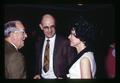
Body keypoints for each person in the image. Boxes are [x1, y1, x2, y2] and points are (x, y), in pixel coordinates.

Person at [33, 14, 75, 79]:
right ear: (41, 27)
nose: (50, 30)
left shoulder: (65, 43)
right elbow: (37, 62)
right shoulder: (38, 42)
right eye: (46, 27)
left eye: (52, 26)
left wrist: (64, 77)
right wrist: (38, 73)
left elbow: (73, 66)